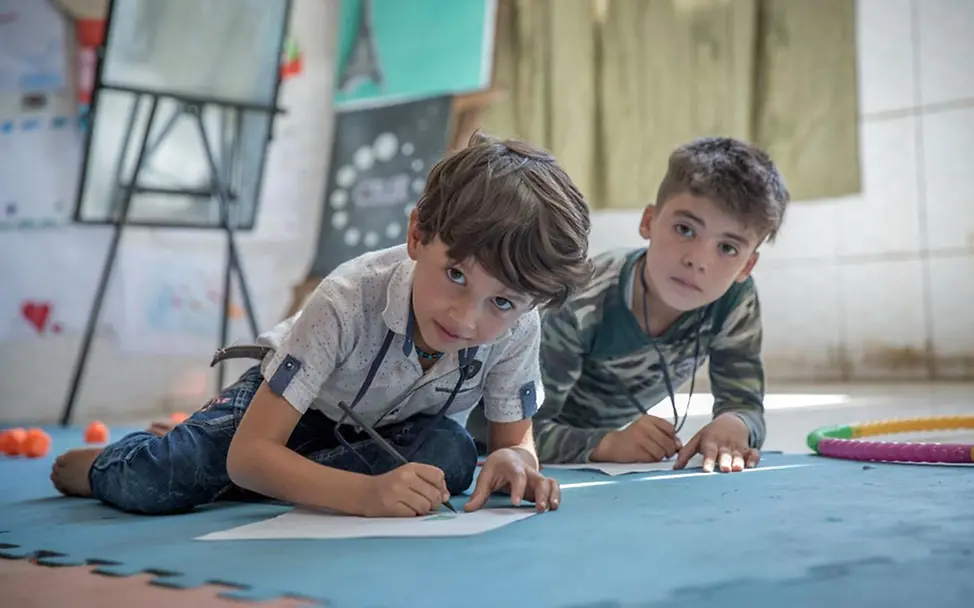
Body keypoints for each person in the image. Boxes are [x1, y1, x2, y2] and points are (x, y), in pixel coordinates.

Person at [51, 132, 594, 517]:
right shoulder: (347, 298)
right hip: (291, 409)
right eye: (455, 274)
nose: (466, 317)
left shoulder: (521, 326)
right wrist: (365, 497)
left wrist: (515, 458)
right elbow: (251, 453)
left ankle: (265, 472)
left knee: (453, 455)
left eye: (502, 303)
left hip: (379, 431)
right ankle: (110, 461)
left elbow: (513, 438)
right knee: (166, 480)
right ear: (418, 235)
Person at [466, 136, 789, 474]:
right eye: (685, 229)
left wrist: (735, 425)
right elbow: (511, 432)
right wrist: (606, 444)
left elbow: (746, 405)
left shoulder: (734, 299)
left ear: (747, 266)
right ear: (648, 221)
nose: (698, 260)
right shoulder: (581, 304)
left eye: (727, 248)